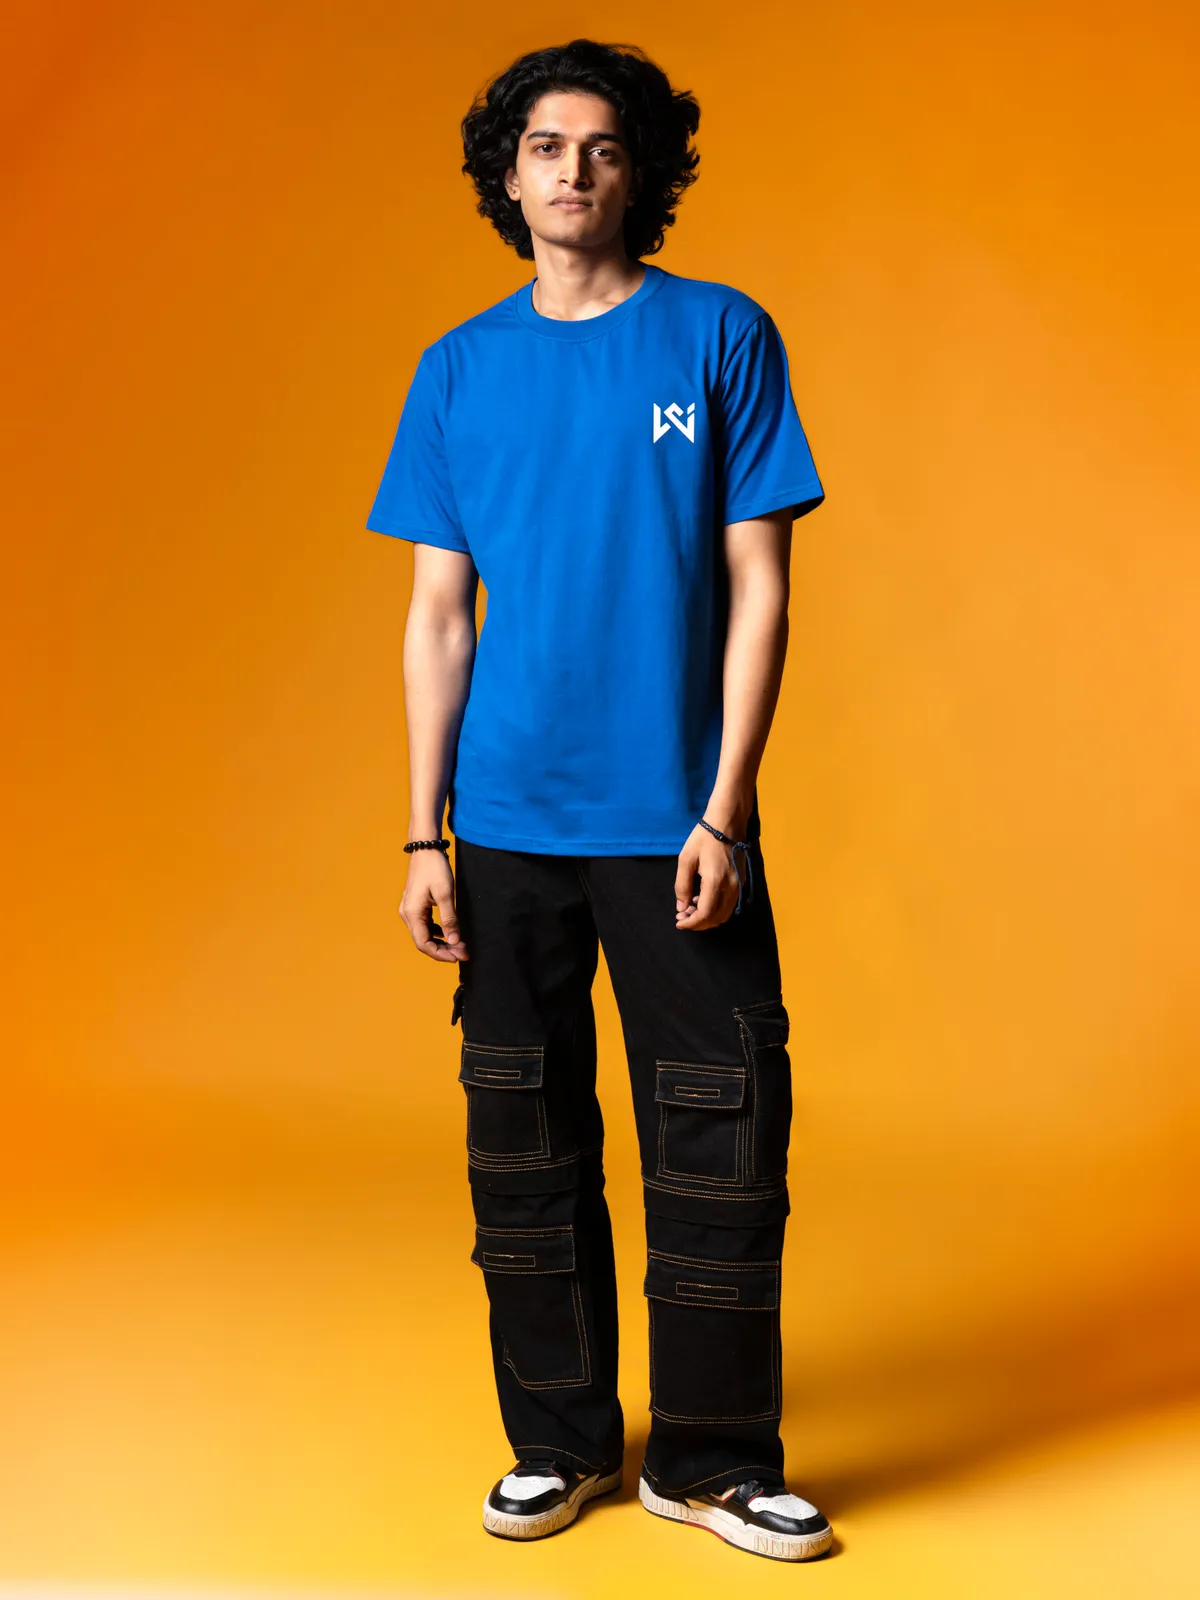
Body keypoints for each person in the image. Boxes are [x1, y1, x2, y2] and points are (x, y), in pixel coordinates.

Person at [365, 37, 833, 1564]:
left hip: (674, 823)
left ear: (644, 174)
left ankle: (712, 1461)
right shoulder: (458, 369)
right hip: (503, 824)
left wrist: (724, 808)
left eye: (604, 147)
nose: (573, 170)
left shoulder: (720, 336)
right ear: (507, 178)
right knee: (524, 1142)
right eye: (546, 147)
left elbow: (762, 594)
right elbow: (441, 617)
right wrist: (424, 830)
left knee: (720, 1134)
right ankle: (558, 1443)